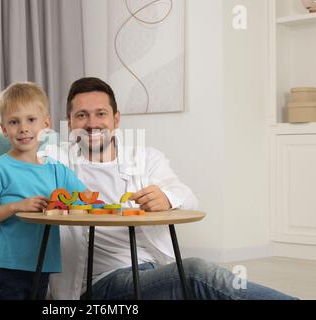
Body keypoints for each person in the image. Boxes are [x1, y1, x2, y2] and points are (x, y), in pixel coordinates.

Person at [47, 77, 298, 300]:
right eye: (82, 115)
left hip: (154, 269)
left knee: (203, 284)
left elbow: (188, 197)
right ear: (69, 123)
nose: (92, 123)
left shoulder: (145, 158)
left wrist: (166, 197)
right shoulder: (56, 164)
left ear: (116, 119)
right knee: (197, 274)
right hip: (102, 282)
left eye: (101, 113)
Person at [0, 82, 88, 300]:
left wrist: (67, 205)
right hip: (7, 266)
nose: (23, 128)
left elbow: (86, 199)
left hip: (42, 264)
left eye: (31, 120)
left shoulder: (56, 169)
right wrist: (16, 206)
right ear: (4, 128)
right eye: (14, 122)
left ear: (46, 123)